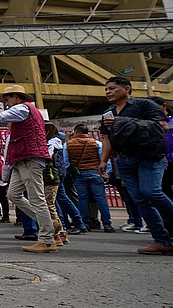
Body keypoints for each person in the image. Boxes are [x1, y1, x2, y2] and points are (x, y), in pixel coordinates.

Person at [0, 84, 57, 253]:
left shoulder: (23, 108)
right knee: (13, 194)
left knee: (37, 199)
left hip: (30, 158)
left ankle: (47, 239)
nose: (6, 102)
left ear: (16, 96)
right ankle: (49, 225)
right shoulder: (22, 112)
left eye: (7, 99)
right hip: (21, 160)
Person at [98, 76, 173, 255]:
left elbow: (162, 126)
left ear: (127, 89)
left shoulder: (144, 106)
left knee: (151, 192)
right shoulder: (108, 113)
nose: (108, 92)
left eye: (112, 88)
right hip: (124, 160)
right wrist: (103, 160)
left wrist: (124, 123)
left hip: (149, 157)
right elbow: (107, 137)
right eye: (106, 89)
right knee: (140, 200)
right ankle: (162, 240)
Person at [64, 124, 114, 233]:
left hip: (79, 174)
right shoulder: (96, 143)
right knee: (100, 199)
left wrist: (69, 173)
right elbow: (104, 160)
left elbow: (66, 162)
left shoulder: (68, 144)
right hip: (96, 173)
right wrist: (107, 173)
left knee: (82, 199)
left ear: (76, 132)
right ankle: (107, 224)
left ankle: (85, 223)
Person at [148, 96, 173, 201]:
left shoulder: (170, 121)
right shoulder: (149, 123)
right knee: (163, 189)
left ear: (164, 107)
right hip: (161, 160)